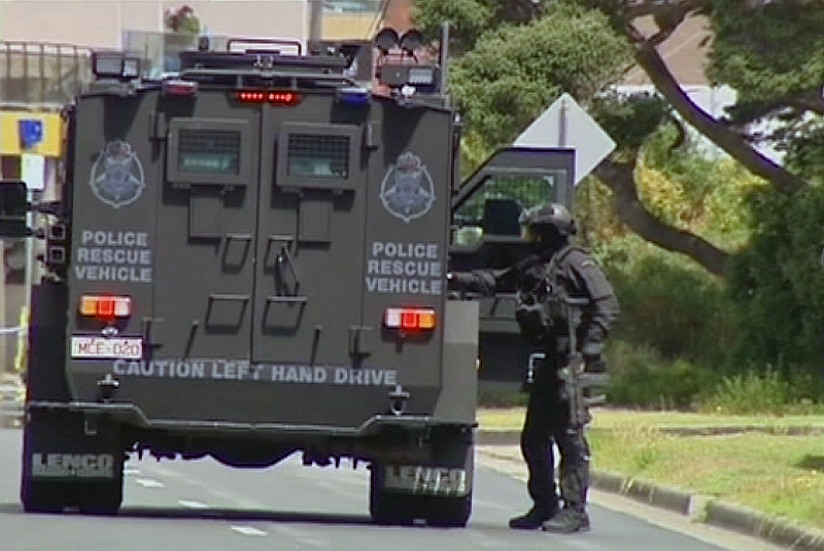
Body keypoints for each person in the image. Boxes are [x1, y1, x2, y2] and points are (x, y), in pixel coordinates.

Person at [448, 202, 619, 534]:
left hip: (572, 361)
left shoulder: (578, 264)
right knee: (534, 437)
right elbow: (497, 281)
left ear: (548, 233)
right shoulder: (537, 265)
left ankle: (575, 510)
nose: (529, 237)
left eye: (534, 231)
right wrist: (456, 279)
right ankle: (544, 504)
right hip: (549, 360)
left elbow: (607, 304)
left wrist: (590, 347)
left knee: (570, 437)